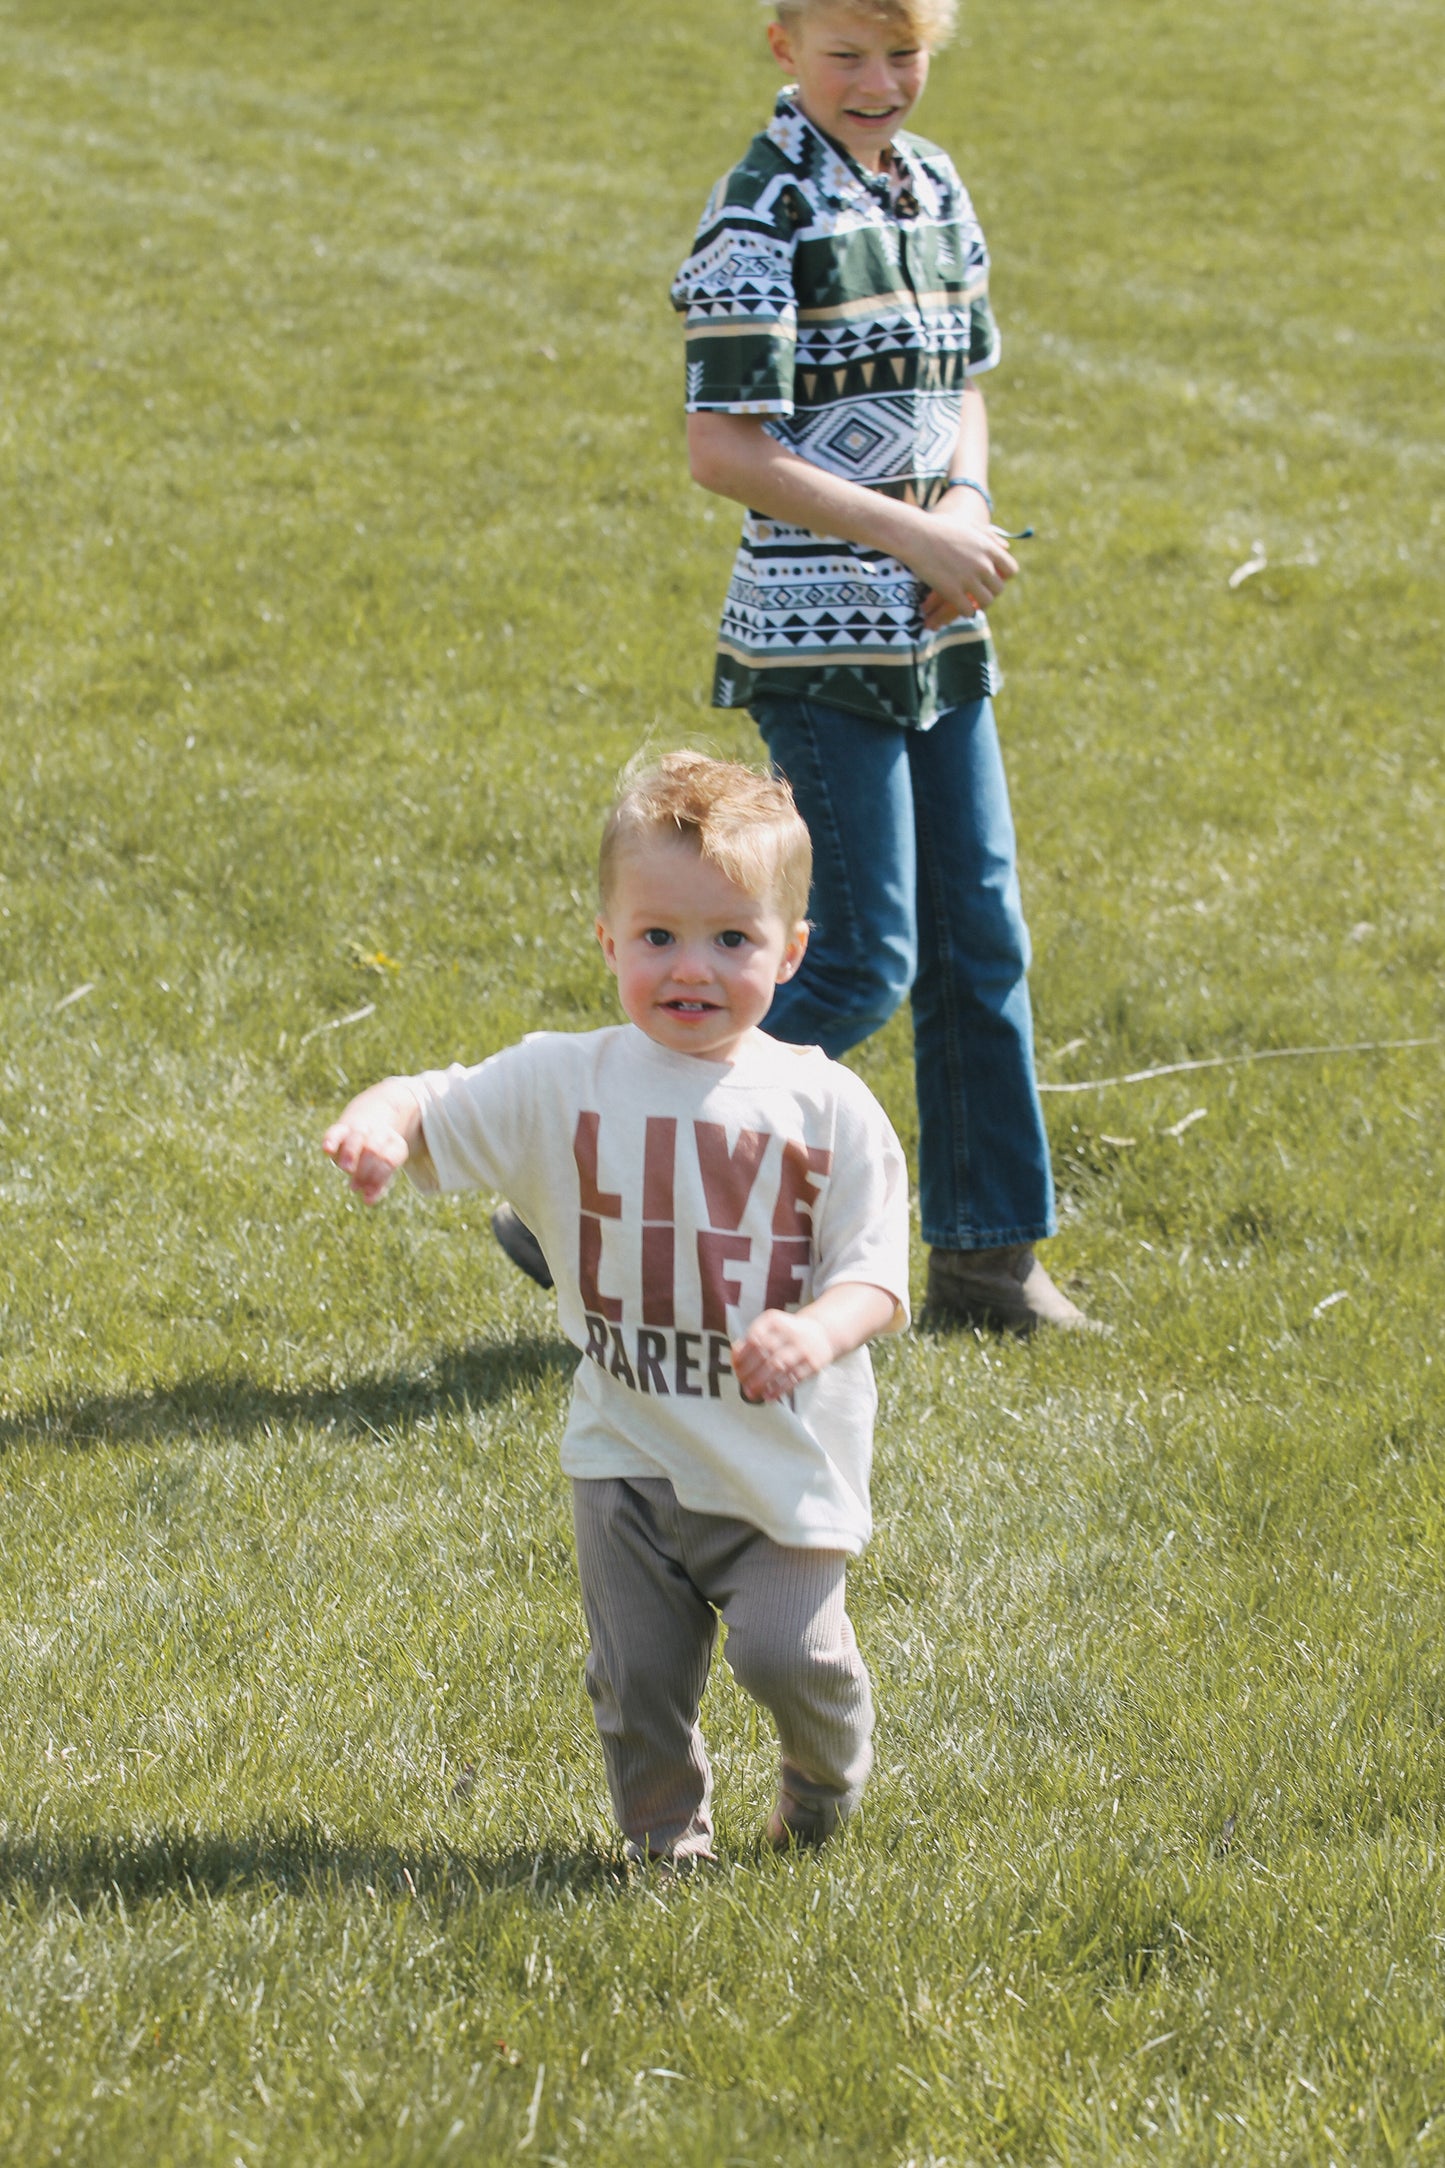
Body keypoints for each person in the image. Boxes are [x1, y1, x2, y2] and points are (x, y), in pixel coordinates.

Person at [323, 753, 910, 1864]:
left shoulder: (824, 1106)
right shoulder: (563, 1080)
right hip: (626, 1449)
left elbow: (879, 1272)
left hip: (778, 1459)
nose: (691, 967)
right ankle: (662, 1846)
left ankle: (822, 1773)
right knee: (635, 1676)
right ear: (607, 940)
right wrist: (382, 1123)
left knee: (789, 1657)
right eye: (656, 937)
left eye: (730, 939)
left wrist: (816, 1328)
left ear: (788, 950)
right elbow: (434, 1096)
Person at [666, 0, 1094, 1334]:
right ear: (781, 42)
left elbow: (963, 376)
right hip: (820, 636)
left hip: (939, 621)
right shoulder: (762, 212)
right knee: (860, 959)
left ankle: (987, 1256)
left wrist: (961, 502)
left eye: (902, 52)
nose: (880, 81)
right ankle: (624, 1152)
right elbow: (723, 447)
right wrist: (904, 528)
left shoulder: (934, 184)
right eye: (847, 52)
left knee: (982, 938)